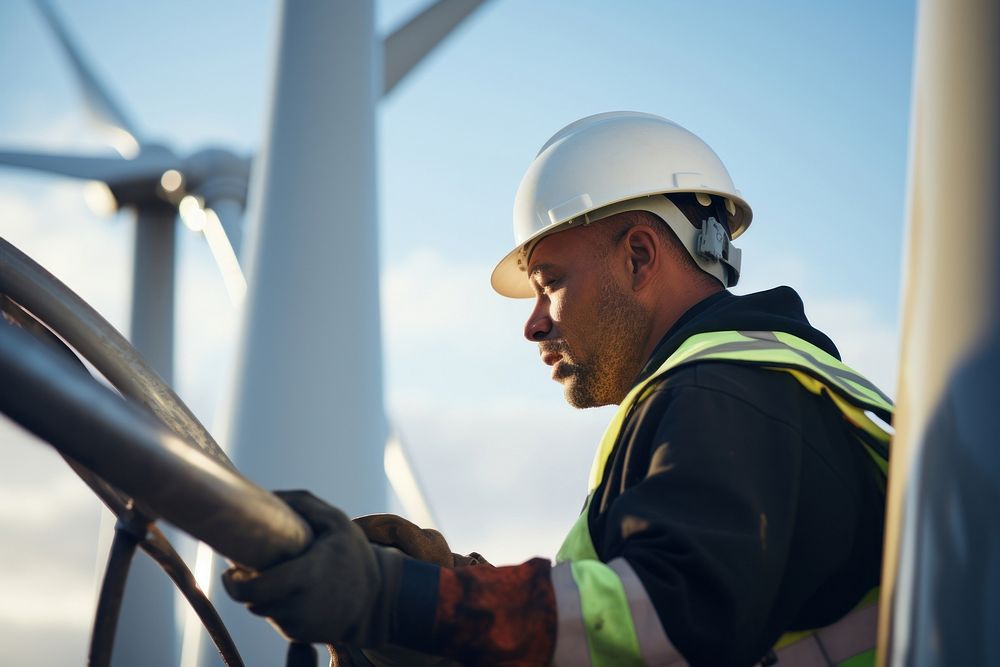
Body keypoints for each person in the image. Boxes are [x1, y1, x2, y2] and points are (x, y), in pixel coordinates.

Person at [223, 112, 892, 666]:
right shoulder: (751, 389)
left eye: (550, 283)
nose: (533, 323)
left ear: (638, 256)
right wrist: (445, 592)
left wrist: (393, 595)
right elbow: (602, 623)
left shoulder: (722, 393)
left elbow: (662, 622)